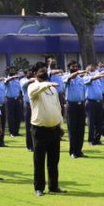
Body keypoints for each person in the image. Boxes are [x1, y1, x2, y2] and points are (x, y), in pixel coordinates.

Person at [26, 64, 66, 195]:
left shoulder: (53, 89)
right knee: (39, 160)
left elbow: (57, 107)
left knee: (54, 160)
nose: (44, 73)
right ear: (34, 73)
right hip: (40, 130)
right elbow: (36, 90)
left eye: (45, 71)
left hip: (54, 129)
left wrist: (60, 125)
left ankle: (53, 186)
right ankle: (39, 188)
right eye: (41, 71)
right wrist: (46, 84)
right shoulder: (33, 86)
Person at [63, 61, 87, 158]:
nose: (75, 68)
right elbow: (68, 79)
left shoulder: (81, 79)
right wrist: (76, 73)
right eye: (73, 66)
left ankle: (79, 151)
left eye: (77, 66)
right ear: (69, 67)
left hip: (80, 105)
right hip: (71, 105)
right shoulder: (66, 76)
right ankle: (73, 151)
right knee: (72, 129)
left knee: (81, 129)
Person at [4, 67, 23, 140]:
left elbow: (19, 90)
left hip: (17, 99)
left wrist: (20, 98)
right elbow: (6, 81)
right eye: (11, 70)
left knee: (18, 116)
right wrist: (13, 77)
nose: (13, 71)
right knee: (10, 116)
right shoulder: (7, 80)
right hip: (9, 100)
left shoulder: (17, 81)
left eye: (13, 70)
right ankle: (12, 132)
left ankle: (16, 131)